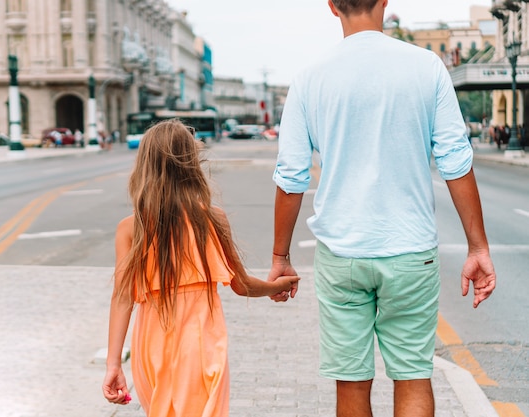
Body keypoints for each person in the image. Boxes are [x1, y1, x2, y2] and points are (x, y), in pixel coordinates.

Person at [269, 1, 497, 417]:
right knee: (413, 376)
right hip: (411, 252)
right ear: (385, 1)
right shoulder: (426, 67)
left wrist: (280, 256)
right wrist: (477, 247)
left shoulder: (308, 79)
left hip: (342, 254)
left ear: (332, 6)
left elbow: (291, 177)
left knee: (352, 386)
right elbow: (455, 161)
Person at [102, 119, 299, 416]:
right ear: (191, 163)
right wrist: (278, 286)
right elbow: (241, 284)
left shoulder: (131, 227)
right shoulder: (211, 218)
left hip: (150, 345)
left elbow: (122, 298)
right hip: (200, 342)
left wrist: (113, 364)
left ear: (144, 165)